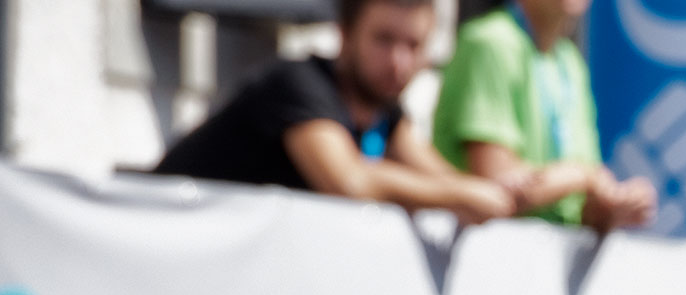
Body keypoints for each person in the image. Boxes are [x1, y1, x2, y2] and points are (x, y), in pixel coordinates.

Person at [153, 0, 514, 224]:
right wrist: (463, 196)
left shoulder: (388, 117)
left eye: (413, 45)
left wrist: (506, 189)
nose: (398, 62)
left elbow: (442, 178)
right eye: (384, 40)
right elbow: (348, 182)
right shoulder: (297, 84)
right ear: (345, 35)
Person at [430, 0, 657, 231]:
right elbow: (497, 191)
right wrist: (584, 177)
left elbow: (578, 211)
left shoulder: (570, 63)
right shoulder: (489, 42)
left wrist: (610, 206)